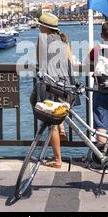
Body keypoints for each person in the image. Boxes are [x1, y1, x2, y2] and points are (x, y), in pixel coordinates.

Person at [31, 13, 77, 169]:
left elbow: (39, 61)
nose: (38, 26)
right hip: (66, 83)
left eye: (40, 24)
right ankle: (62, 126)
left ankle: (58, 160)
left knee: (50, 122)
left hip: (51, 83)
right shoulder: (64, 39)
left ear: (44, 26)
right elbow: (71, 61)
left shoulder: (41, 38)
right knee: (58, 111)